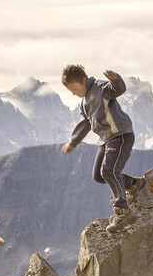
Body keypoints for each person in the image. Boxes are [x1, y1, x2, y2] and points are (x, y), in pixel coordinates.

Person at [59, 64, 138, 213]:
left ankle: (122, 208)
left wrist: (116, 80)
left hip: (121, 134)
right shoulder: (84, 104)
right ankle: (134, 184)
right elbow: (86, 124)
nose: (74, 94)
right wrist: (73, 142)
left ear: (84, 80)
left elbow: (118, 89)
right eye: (71, 91)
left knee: (109, 171)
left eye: (74, 89)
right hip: (107, 139)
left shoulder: (100, 87)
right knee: (99, 176)